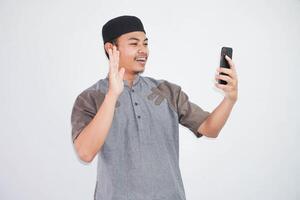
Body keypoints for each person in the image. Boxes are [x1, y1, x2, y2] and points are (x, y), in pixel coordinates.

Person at [71, 15, 238, 200]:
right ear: (111, 48)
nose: (143, 51)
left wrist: (230, 99)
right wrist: (112, 95)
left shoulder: (166, 91)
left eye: (145, 43)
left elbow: (210, 128)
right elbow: (85, 153)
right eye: (134, 44)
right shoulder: (90, 98)